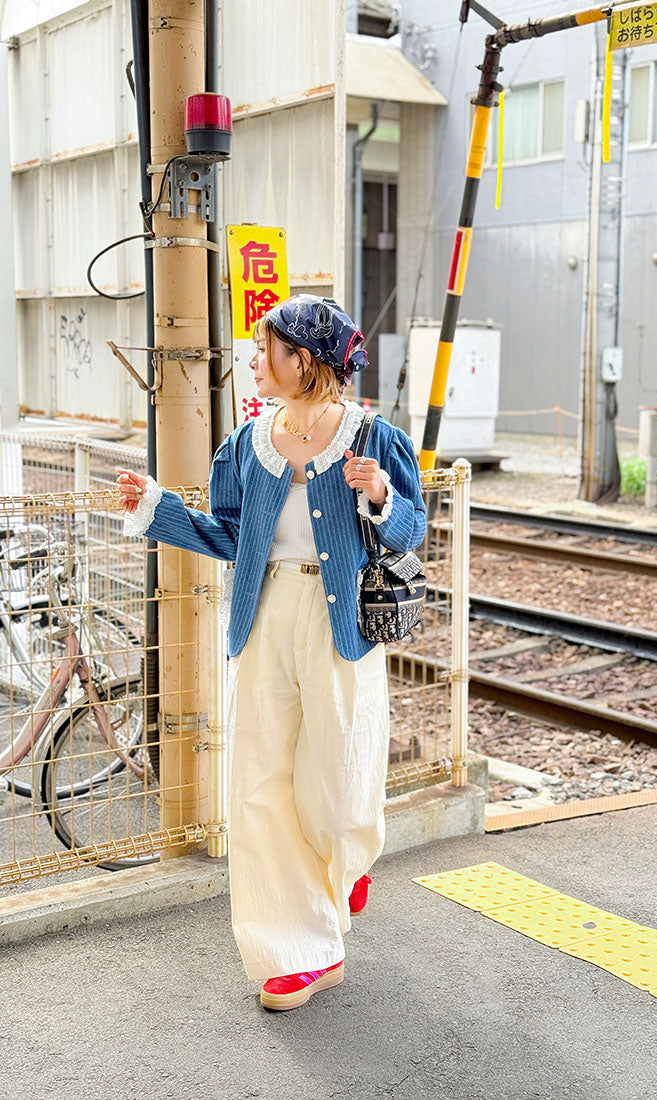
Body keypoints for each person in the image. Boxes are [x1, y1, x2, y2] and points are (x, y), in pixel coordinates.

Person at [116, 294, 426, 1011]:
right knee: (257, 785)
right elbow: (228, 536)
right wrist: (157, 505)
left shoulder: (372, 438)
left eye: (266, 351)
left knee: (339, 774)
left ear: (305, 361)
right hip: (263, 616)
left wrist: (380, 494)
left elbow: (409, 532)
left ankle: (348, 857)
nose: (255, 361)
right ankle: (295, 951)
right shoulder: (247, 444)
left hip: (338, 619)